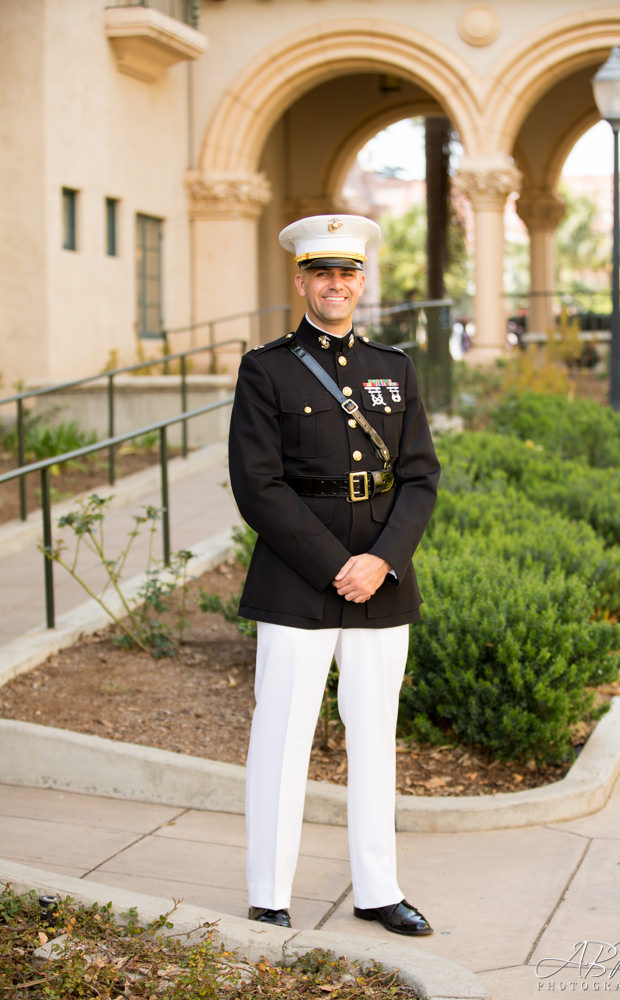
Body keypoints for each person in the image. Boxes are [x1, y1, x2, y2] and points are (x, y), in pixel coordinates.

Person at [228, 214, 440, 936]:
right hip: (298, 577)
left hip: (381, 578)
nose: (336, 284)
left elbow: (419, 477)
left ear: (361, 281)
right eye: (322, 273)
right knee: (282, 737)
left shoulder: (394, 368)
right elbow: (257, 484)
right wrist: (334, 565)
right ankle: (269, 893)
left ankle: (378, 889)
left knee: (375, 736)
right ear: (301, 282)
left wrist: (381, 560)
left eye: (347, 273)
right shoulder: (267, 369)